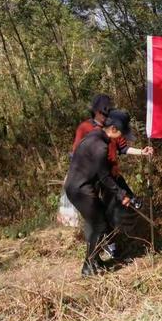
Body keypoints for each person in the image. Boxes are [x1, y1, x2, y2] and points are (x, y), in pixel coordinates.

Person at [65, 110, 134, 276]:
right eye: (121, 133)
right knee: (99, 225)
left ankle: (95, 261)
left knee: (99, 221)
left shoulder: (96, 135)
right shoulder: (100, 146)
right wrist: (121, 194)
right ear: (114, 129)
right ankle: (88, 266)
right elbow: (104, 176)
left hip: (80, 187)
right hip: (80, 190)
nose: (121, 138)